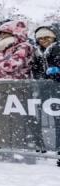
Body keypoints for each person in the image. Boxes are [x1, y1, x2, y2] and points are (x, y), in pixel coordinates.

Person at [35, 24, 60, 165]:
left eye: (47, 37)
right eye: (40, 38)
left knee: (58, 120)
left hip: (57, 87)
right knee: (46, 117)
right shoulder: (38, 52)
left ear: (54, 37)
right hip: (44, 88)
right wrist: (41, 77)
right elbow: (35, 69)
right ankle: (45, 147)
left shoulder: (57, 48)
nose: (43, 40)